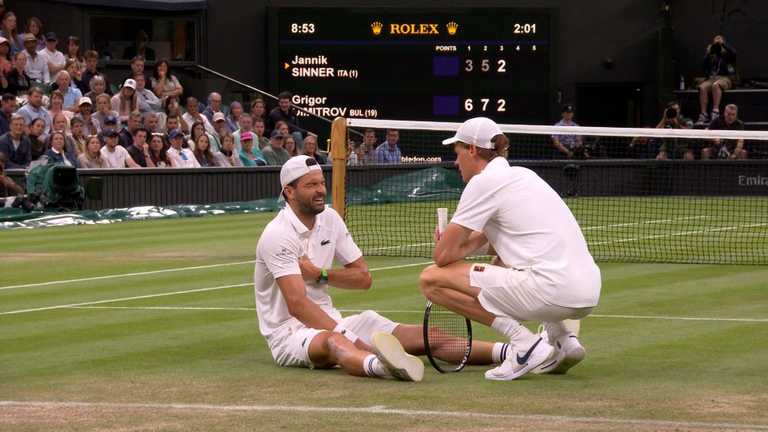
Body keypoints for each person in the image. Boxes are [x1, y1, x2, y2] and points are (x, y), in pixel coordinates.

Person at [253, 155, 510, 379]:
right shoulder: (278, 234)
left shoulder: (330, 219)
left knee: (427, 335)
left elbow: (363, 278)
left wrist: (321, 275)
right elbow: (297, 305)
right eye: (311, 185)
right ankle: (384, 366)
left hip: (334, 319)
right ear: (289, 192)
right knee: (335, 342)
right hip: (289, 333)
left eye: (321, 183)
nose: (321, 190)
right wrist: (355, 340)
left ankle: (512, 352)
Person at [419, 117, 601, 381]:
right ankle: (563, 339)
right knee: (503, 263)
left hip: (551, 290)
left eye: (458, 153)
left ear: (472, 150)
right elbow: (503, 245)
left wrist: (452, 240)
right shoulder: (525, 176)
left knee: (431, 279)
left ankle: (524, 343)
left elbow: (442, 257)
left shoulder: (482, 183)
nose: (456, 162)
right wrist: (476, 238)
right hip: (588, 290)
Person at [697, 35, 737, 126]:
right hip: (712, 78)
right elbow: (703, 67)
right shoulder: (712, 55)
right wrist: (707, 53)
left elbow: (734, 53)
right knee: (702, 87)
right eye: (716, 41)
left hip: (725, 78)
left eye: (719, 40)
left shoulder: (727, 55)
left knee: (716, 85)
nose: (717, 43)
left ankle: (715, 112)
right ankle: (703, 114)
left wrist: (723, 44)